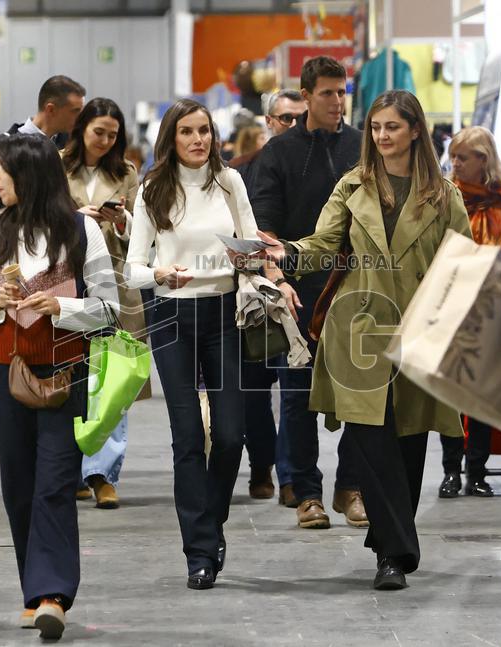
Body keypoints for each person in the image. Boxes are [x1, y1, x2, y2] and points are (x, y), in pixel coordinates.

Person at [242, 90, 471, 590]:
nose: (382, 135)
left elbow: (461, 266)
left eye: (392, 126)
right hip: (359, 328)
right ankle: (394, 554)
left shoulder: (443, 195)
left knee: (409, 443)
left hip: (418, 331)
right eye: (376, 127)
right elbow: (324, 245)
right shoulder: (353, 185)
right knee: (372, 440)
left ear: (415, 130)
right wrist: (285, 252)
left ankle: (392, 543)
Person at [0, 135, 116, 639]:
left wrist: (61, 307)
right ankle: (34, 589)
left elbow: (109, 309)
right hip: (5, 372)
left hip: (66, 371)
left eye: (1, 170)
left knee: (55, 482)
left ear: (28, 175)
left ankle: (53, 595)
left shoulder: (82, 230)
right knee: (18, 483)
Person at [125, 99, 256, 590]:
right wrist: (159, 273)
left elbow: (251, 247)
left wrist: (253, 261)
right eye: (187, 131)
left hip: (224, 313)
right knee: (186, 435)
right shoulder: (153, 189)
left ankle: (211, 520)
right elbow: (132, 268)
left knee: (230, 435)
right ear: (171, 138)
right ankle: (199, 552)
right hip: (170, 315)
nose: (198, 139)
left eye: (204, 130)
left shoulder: (230, 182)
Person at [251, 55, 367, 530]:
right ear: (305, 96)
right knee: (298, 398)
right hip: (297, 295)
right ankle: (306, 494)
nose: (338, 101)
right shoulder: (278, 154)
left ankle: (352, 487)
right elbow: (264, 229)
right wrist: (278, 280)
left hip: (357, 291)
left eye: (342, 92)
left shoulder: (363, 147)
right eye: (327, 93)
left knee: (361, 396)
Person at [62, 97, 144, 509]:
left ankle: (103, 474)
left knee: (111, 381)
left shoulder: (126, 172)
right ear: (81, 129)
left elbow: (143, 231)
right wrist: (77, 216)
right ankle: (72, 469)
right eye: (99, 132)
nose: (105, 141)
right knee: (70, 377)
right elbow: (41, 216)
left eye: (113, 135)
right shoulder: (57, 167)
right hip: (66, 281)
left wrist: (122, 222)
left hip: (114, 280)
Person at [438, 126, 501, 499]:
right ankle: (450, 471)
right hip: (452, 303)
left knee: (484, 396)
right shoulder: (443, 197)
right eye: (453, 157)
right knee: (451, 396)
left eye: (462, 157)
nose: (455, 164)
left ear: (483, 160)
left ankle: (476, 471)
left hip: (495, 307)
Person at [227, 89, 305, 505]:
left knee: (294, 389)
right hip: (250, 294)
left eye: (299, 118)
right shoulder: (239, 172)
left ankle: (291, 477)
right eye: (286, 118)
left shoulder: (315, 169)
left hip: (299, 290)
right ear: (270, 121)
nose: (293, 125)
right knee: (254, 391)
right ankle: (262, 465)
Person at [0, 75, 85, 215]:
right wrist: (16, 193)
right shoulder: (0, 145)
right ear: (51, 109)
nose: (81, 118)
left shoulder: (69, 145)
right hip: (12, 227)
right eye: (75, 111)